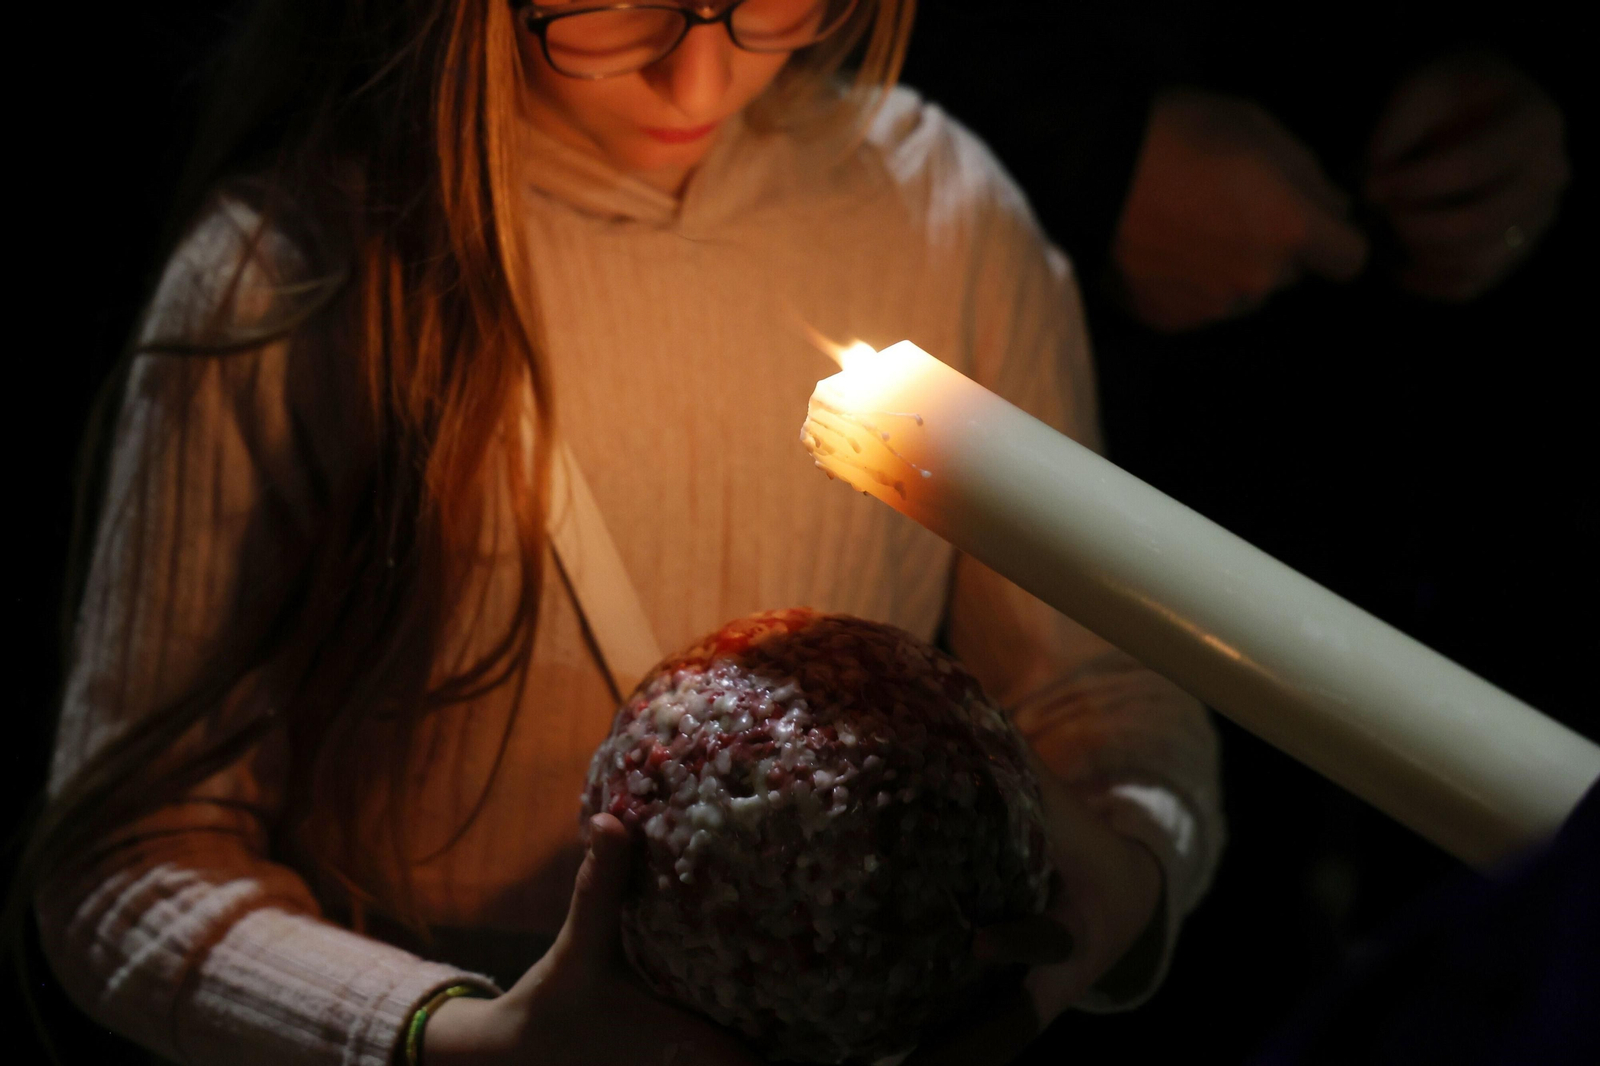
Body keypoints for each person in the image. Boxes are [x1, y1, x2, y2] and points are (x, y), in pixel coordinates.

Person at [10, 3, 1223, 1065]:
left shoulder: (943, 217)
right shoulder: (300, 272)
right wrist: (448, 1033)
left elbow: (1104, 704)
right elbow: (127, 861)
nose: (693, 76)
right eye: (608, 2)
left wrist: (1123, 874)